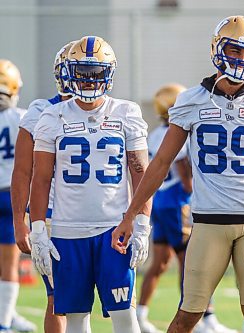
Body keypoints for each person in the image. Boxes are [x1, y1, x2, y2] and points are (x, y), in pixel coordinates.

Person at [112, 15, 244, 333]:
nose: (242, 59)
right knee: (188, 313)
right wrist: (131, 213)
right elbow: (162, 161)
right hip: (208, 222)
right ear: (218, 49)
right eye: (235, 50)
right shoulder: (192, 100)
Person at [29, 35, 151, 333]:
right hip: (67, 232)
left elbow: (141, 175)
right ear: (68, 73)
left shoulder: (127, 112)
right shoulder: (52, 115)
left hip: (114, 229)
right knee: (75, 317)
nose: (87, 79)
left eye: (95, 72)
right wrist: (38, 230)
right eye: (81, 71)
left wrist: (143, 224)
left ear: (108, 73)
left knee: (124, 314)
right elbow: (41, 179)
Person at [137, 84, 236, 333]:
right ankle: (204, 317)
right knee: (191, 262)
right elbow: (185, 176)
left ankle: (140, 313)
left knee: (159, 262)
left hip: (159, 200)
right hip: (176, 201)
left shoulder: (155, 134)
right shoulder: (176, 133)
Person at [12, 40, 77, 333]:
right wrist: (20, 220)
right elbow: (23, 171)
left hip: (99, 217)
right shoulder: (41, 111)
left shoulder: (111, 111)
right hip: (52, 216)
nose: (84, 78)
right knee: (58, 298)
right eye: (78, 71)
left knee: (106, 301)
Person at [0, 59, 37, 333]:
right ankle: (4, 321)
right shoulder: (24, 117)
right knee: (9, 264)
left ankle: (8, 315)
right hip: (10, 193)